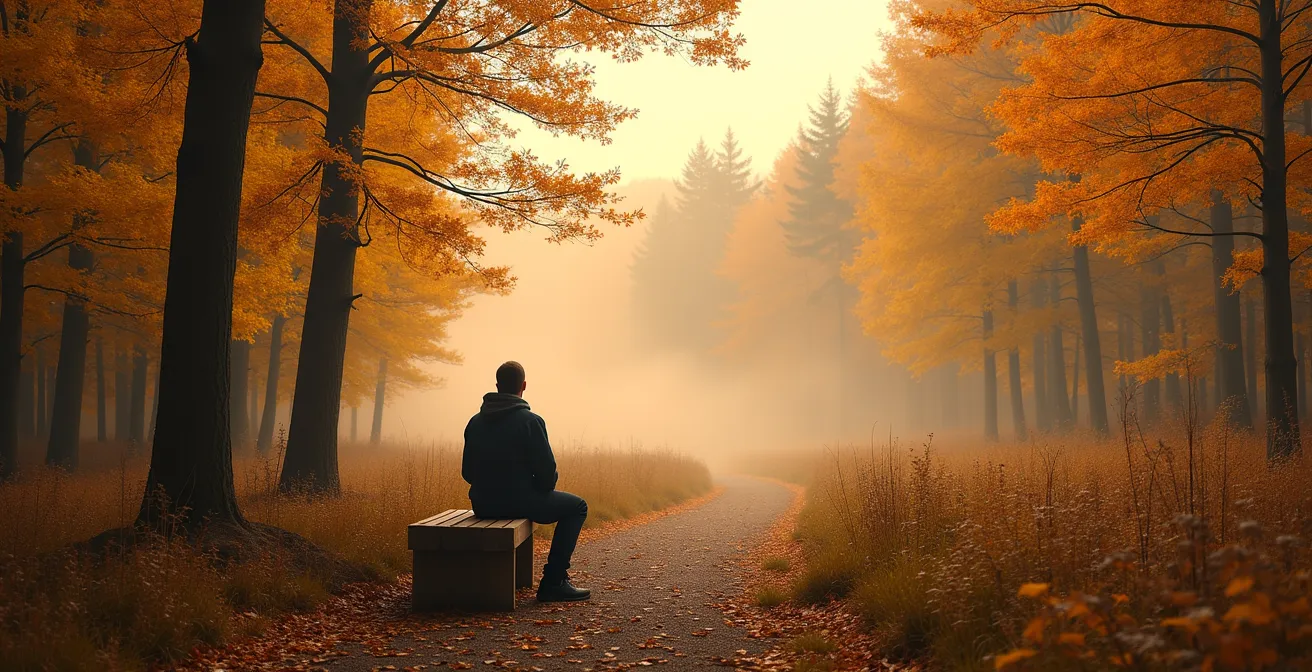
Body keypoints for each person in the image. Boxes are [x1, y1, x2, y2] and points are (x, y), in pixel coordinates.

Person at [461, 361, 591, 602]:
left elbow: (467, 473)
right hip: (521, 501)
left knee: (567, 504)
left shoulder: (475, 422)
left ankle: (553, 581)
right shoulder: (531, 421)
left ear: (497, 386)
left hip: (483, 504)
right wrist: (533, 490)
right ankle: (553, 581)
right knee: (578, 507)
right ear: (523, 386)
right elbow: (547, 477)